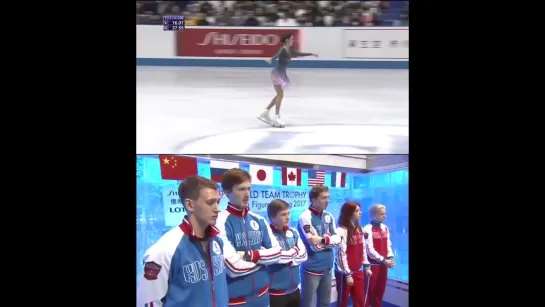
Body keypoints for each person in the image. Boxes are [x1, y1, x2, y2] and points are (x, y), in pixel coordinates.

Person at [136, 176, 230, 307]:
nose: (217, 209)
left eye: (218, 202)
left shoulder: (217, 241)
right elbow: (148, 302)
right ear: (190, 205)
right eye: (210, 203)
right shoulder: (164, 250)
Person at [216, 168, 283, 307]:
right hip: (236, 301)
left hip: (263, 296)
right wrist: (264, 261)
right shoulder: (220, 222)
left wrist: (249, 255)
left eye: (248, 188)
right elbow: (233, 268)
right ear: (227, 192)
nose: (247, 194)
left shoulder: (259, 219)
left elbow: (278, 253)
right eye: (241, 189)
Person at [258, 33, 318, 128]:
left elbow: (299, 54)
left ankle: (265, 112)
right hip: (277, 74)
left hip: (281, 74)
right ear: (287, 40)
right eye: (292, 39)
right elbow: (277, 55)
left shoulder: (289, 50)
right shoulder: (283, 49)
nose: (293, 40)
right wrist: (271, 59)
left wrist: (311, 54)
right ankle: (276, 117)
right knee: (280, 95)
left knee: (279, 95)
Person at [297, 185, 342, 307]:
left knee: (325, 304)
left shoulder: (328, 216)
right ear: (313, 200)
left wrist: (322, 239)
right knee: (308, 304)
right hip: (311, 270)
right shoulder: (305, 217)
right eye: (323, 198)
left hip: (328, 268)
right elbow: (314, 246)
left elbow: (339, 241)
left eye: (328, 197)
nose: (327, 200)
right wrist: (329, 239)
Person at [266, 199, 308, 307]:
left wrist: (290, 261)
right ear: (272, 217)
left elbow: (304, 254)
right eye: (283, 214)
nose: (288, 217)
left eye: (289, 213)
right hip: (275, 293)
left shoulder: (293, 231)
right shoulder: (266, 235)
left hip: (294, 290)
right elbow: (276, 257)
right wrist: (295, 251)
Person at [335, 201, 373, 307]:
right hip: (344, 273)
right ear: (349, 213)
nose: (360, 213)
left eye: (360, 210)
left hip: (358, 271)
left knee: (360, 300)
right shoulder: (341, 230)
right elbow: (340, 254)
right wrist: (347, 274)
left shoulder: (359, 228)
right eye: (357, 211)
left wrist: (366, 266)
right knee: (343, 302)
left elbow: (363, 249)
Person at [362, 204, 395, 307]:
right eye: (381, 214)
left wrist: (390, 257)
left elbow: (388, 244)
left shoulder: (385, 228)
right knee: (368, 291)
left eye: (385, 213)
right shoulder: (367, 229)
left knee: (380, 290)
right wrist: (383, 260)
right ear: (373, 215)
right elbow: (369, 250)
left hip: (383, 265)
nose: (384, 216)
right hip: (372, 266)